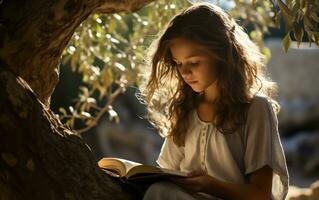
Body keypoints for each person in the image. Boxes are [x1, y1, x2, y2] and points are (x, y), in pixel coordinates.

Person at [139, 2, 289, 200]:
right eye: (178, 64)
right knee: (158, 190)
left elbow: (261, 195)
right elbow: (167, 171)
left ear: (222, 54)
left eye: (193, 62)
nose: (184, 72)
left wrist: (212, 186)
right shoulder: (185, 110)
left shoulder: (256, 108)